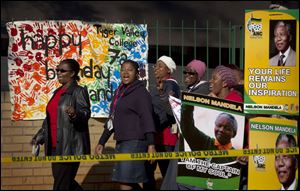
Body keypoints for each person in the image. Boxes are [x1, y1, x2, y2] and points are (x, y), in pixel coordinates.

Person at [95, 60, 156, 190]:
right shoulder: (119, 92)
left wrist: (151, 144)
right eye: (123, 69)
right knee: (126, 181)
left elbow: (147, 119)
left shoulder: (141, 93)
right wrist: (102, 141)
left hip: (135, 142)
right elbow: (112, 119)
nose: (126, 73)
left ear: (137, 73)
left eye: (130, 70)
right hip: (122, 142)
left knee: (125, 182)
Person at [30, 59, 91, 190]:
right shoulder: (57, 92)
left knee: (61, 185)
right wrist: (39, 137)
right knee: (64, 182)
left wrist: (75, 114)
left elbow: (86, 113)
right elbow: (50, 119)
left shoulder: (79, 91)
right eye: (57, 70)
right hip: (54, 146)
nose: (58, 72)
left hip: (69, 146)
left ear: (73, 73)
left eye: (62, 70)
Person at [144, 55, 181, 190]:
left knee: (166, 174)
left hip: (165, 138)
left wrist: (153, 126)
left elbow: (170, 110)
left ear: (168, 70)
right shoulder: (160, 85)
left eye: (160, 66)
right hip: (157, 137)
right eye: (155, 66)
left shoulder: (170, 84)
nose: (156, 69)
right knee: (150, 172)